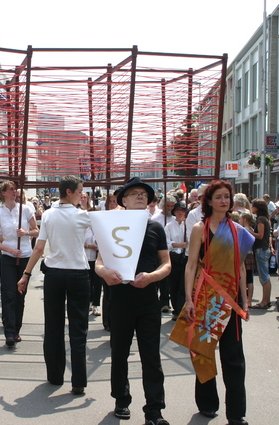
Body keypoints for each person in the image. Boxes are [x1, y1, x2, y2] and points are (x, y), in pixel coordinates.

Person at [171, 180, 253, 425]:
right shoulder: (200, 228)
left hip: (230, 299)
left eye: (227, 197)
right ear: (208, 201)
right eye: (218, 197)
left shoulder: (238, 230)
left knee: (233, 356)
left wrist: (245, 300)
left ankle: (236, 413)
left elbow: (240, 268)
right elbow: (191, 265)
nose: (224, 201)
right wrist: (188, 299)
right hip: (206, 297)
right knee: (203, 351)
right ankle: (207, 403)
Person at [95, 177, 172, 425]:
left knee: (151, 356)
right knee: (119, 353)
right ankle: (121, 399)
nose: (140, 196)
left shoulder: (156, 228)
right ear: (124, 200)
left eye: (144, 194)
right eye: (134, 193)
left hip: (148, 298)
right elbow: (98, 263)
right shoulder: (110, 225)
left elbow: (167, 264)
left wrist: (151, 277)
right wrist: (105, 272)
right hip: (119, 298)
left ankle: (154, 411)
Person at [17, 175, 91, 396]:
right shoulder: (83, 216)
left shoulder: (48, 214)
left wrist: (26, 274)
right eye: (79, 191)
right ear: (69, 192)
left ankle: (55, 375)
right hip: (78, 272)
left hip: (55, 273)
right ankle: (78, 380)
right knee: (79, 328)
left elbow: (39, 248)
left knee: (53, 325)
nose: (82, 195)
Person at [0, 181, 39, 346]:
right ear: (3, 193)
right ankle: (9, 332)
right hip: (8, 258)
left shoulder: (25, 209)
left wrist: (26, 233)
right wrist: (9, 250)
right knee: (8, 294)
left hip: (25, 256)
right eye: (11, 189)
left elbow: (36, 230)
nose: (14, 192)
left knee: (20, 294)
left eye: (15, 189)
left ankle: (16, 329)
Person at [165, 200, 188, 320]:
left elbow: (191, 242)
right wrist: (178, 244)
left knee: (183, 285)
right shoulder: (169, 226)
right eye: (178, 210)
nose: (180, 212)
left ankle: (181, 309)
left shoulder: (189, 225)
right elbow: (167, 243)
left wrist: (184, 245)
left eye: (182, 210)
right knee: (173, 284)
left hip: (186, 257)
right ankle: (176, 309)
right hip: (174, 257)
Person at [248, 198, 272, 309]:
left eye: (253, 206)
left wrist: (248, 231)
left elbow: (260, 235)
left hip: (261, 249)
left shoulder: (261, 219)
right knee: (264, 275)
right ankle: (266, 300)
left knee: (264, 276)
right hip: (264, 248)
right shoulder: (264, 218)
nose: (251, 207)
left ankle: (265, 301)